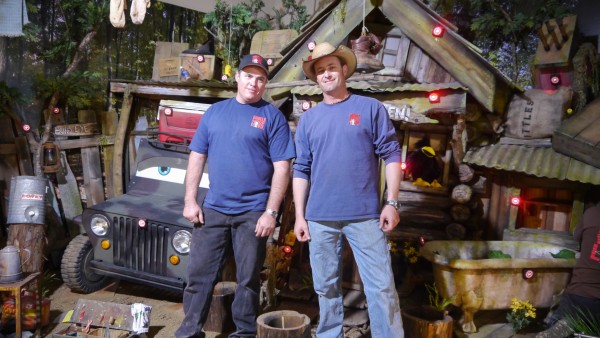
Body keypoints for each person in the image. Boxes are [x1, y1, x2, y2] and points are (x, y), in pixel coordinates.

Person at [176, 54, 296, 338]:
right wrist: (190, 200)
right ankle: (189, 331)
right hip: (213, 209)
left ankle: (243, 333)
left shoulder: (272, 117)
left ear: (265, 84)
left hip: (253, 212)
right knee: (199, 275)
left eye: (260, 78)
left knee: (248, 279)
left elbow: (283, 168)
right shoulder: (215, 113)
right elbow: (196, 157)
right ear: (237, 78)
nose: (254, 83)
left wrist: (271, 212)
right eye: (249, 76)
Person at [293, 42, 404, 338]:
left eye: (331, 67)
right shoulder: (309, 120)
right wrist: (300, 216)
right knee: (325, 287)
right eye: (320, 70)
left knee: (381, 286)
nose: (326, 74)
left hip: (366, 215)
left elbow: (392, 154)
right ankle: (330, 335)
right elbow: (301, 169)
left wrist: (391, 202)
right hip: (319, 217)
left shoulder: (370, 108)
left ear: (344, 69)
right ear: (316, 78)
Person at [536, 190, 600, 338]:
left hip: (578, 293)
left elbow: (576, 235)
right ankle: (574, 324)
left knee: (563, 314)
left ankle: (567, 322)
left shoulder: (591, 213)